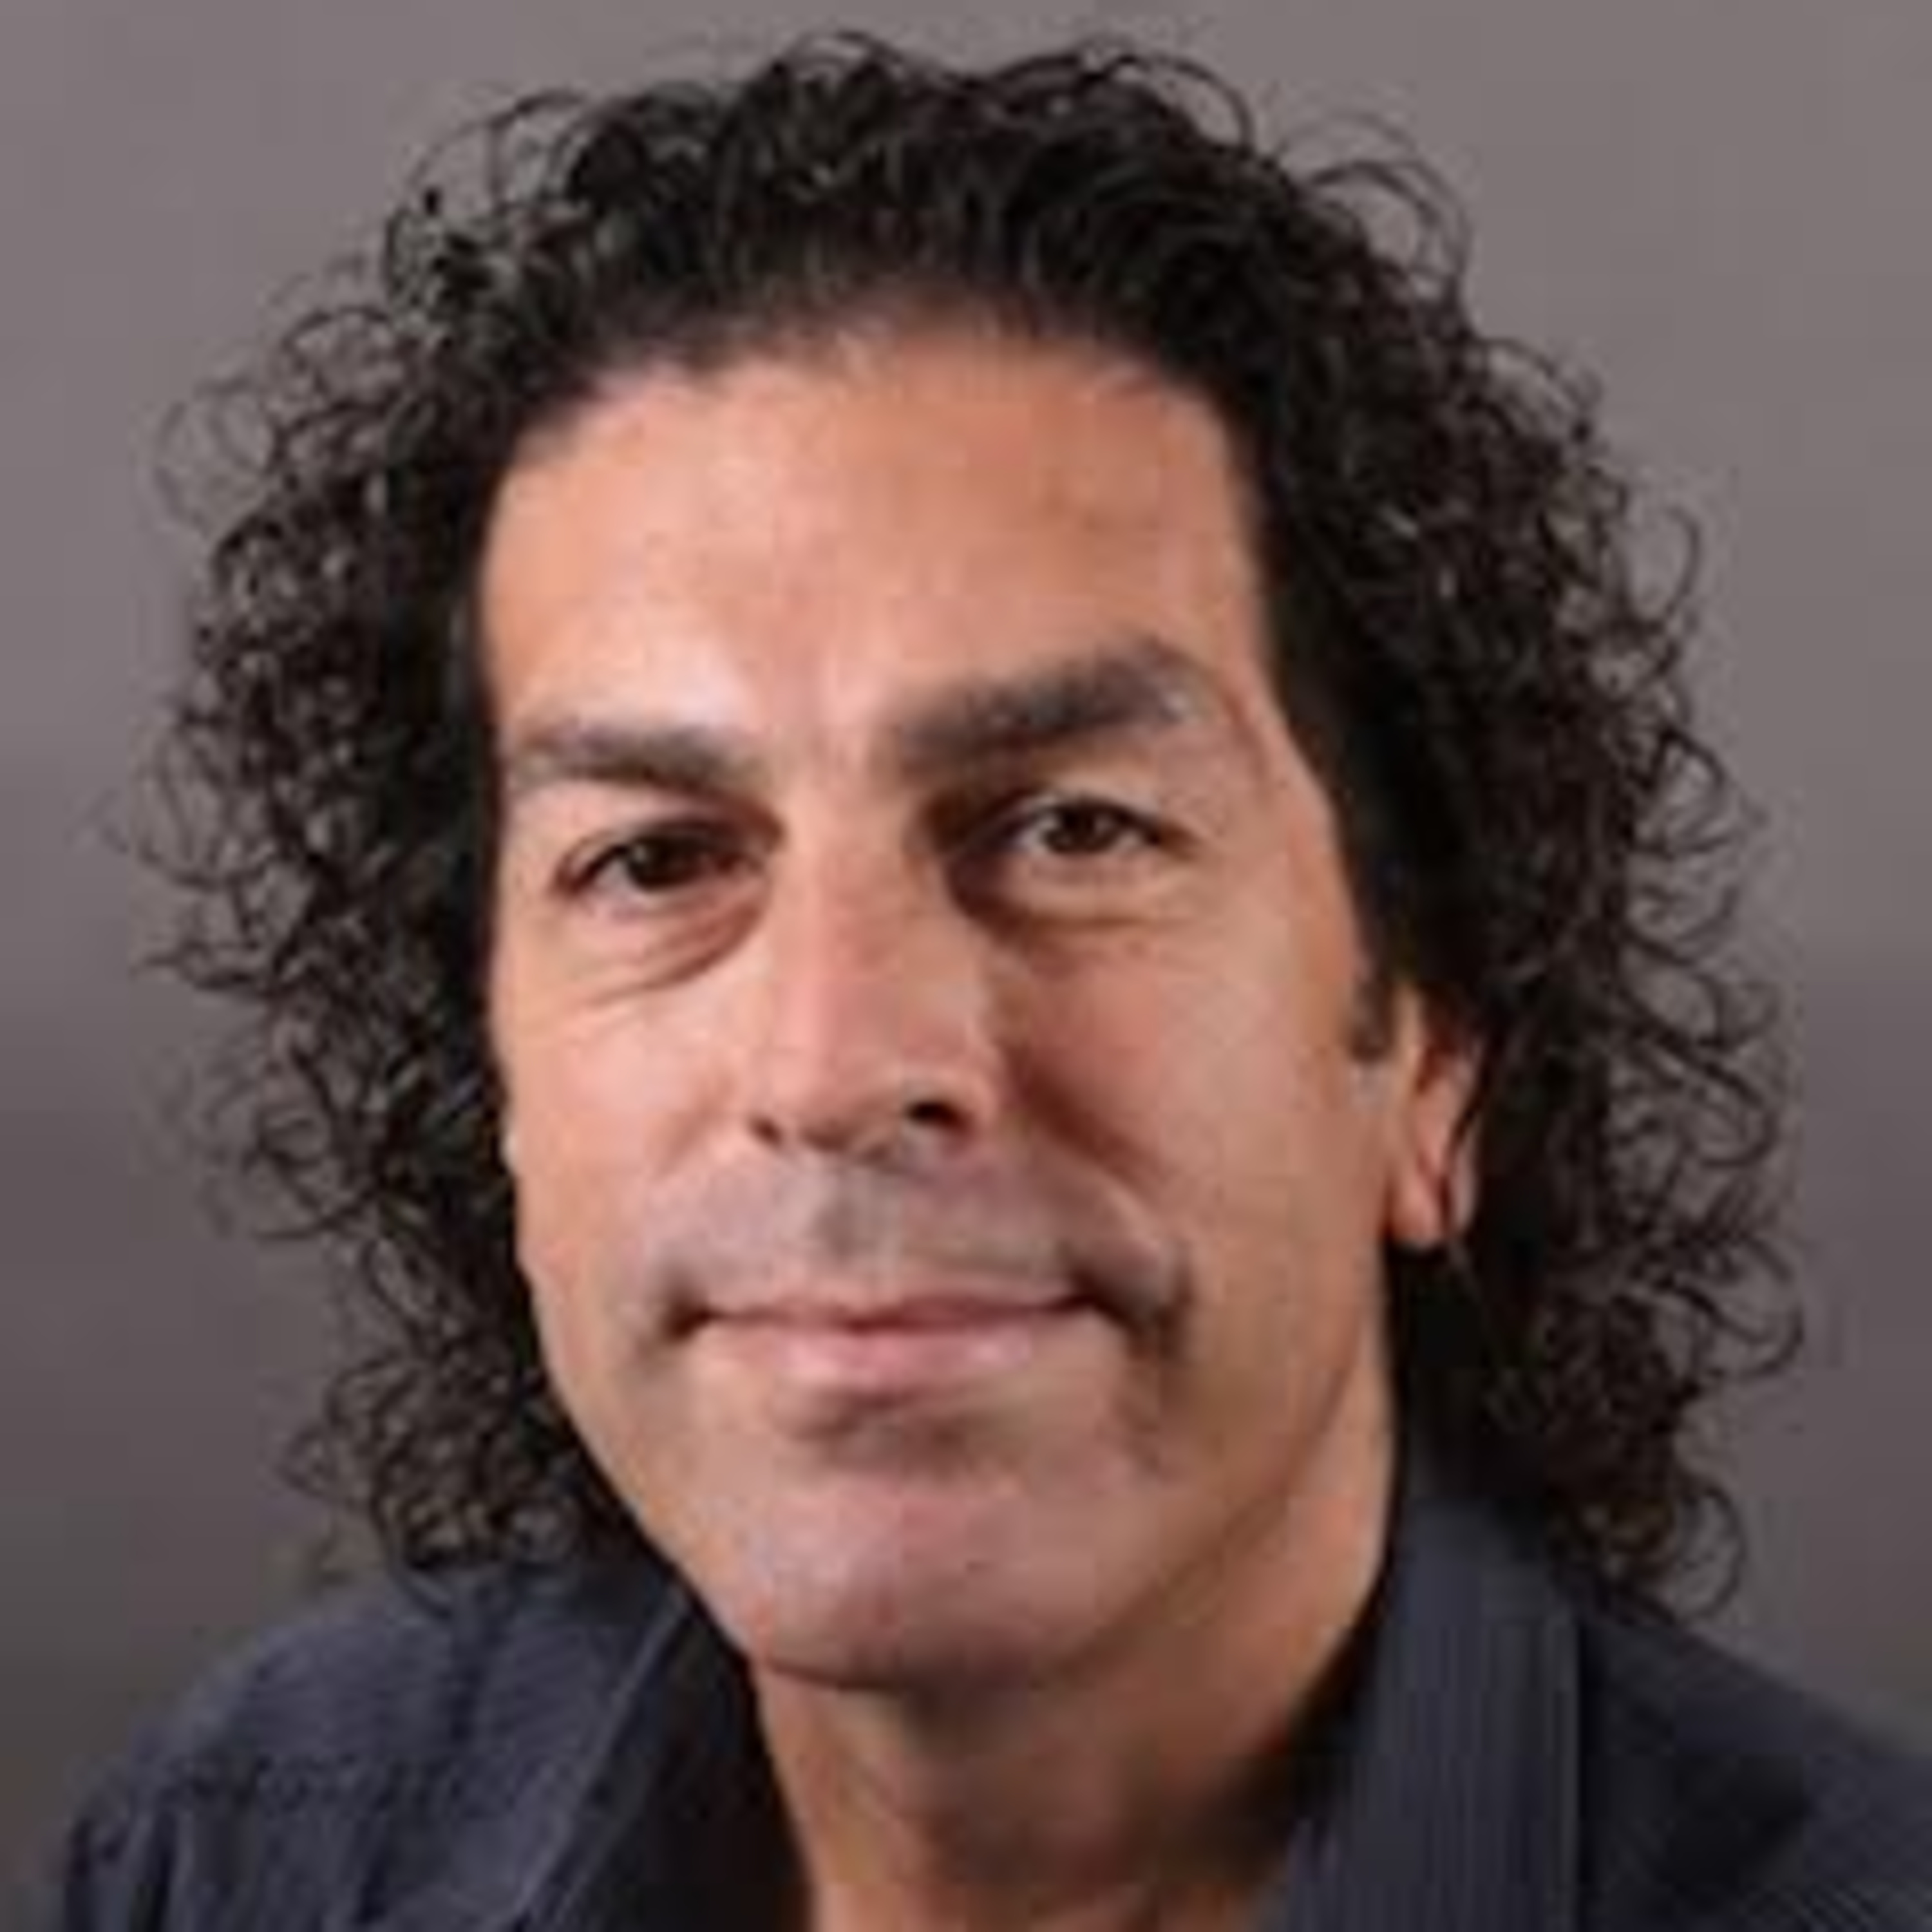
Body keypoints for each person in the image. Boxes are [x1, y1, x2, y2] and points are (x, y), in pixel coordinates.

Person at [44, 32, 1932, 1932]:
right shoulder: (259, 1853)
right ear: (502, 1087)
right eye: (658, 861)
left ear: (1431, 1050)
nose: (836, 1062)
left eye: (1072, 832)